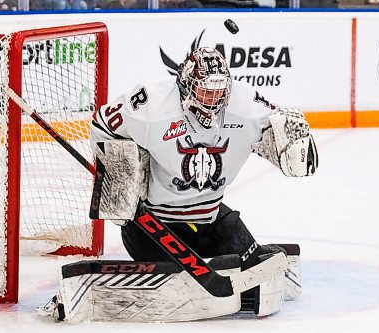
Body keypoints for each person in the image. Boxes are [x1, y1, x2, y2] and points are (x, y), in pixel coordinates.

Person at [89, 47, 318, 313]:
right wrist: (120, 181)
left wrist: (292, 140)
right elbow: (102, 124)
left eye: (219, 91)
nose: (212, 99)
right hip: (150, 225)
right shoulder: (152, 103)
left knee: (248, 253)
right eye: (205, 91)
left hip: (210, 218)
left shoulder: (245, 105)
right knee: (175, 277)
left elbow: (279, 124)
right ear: (187, 85)